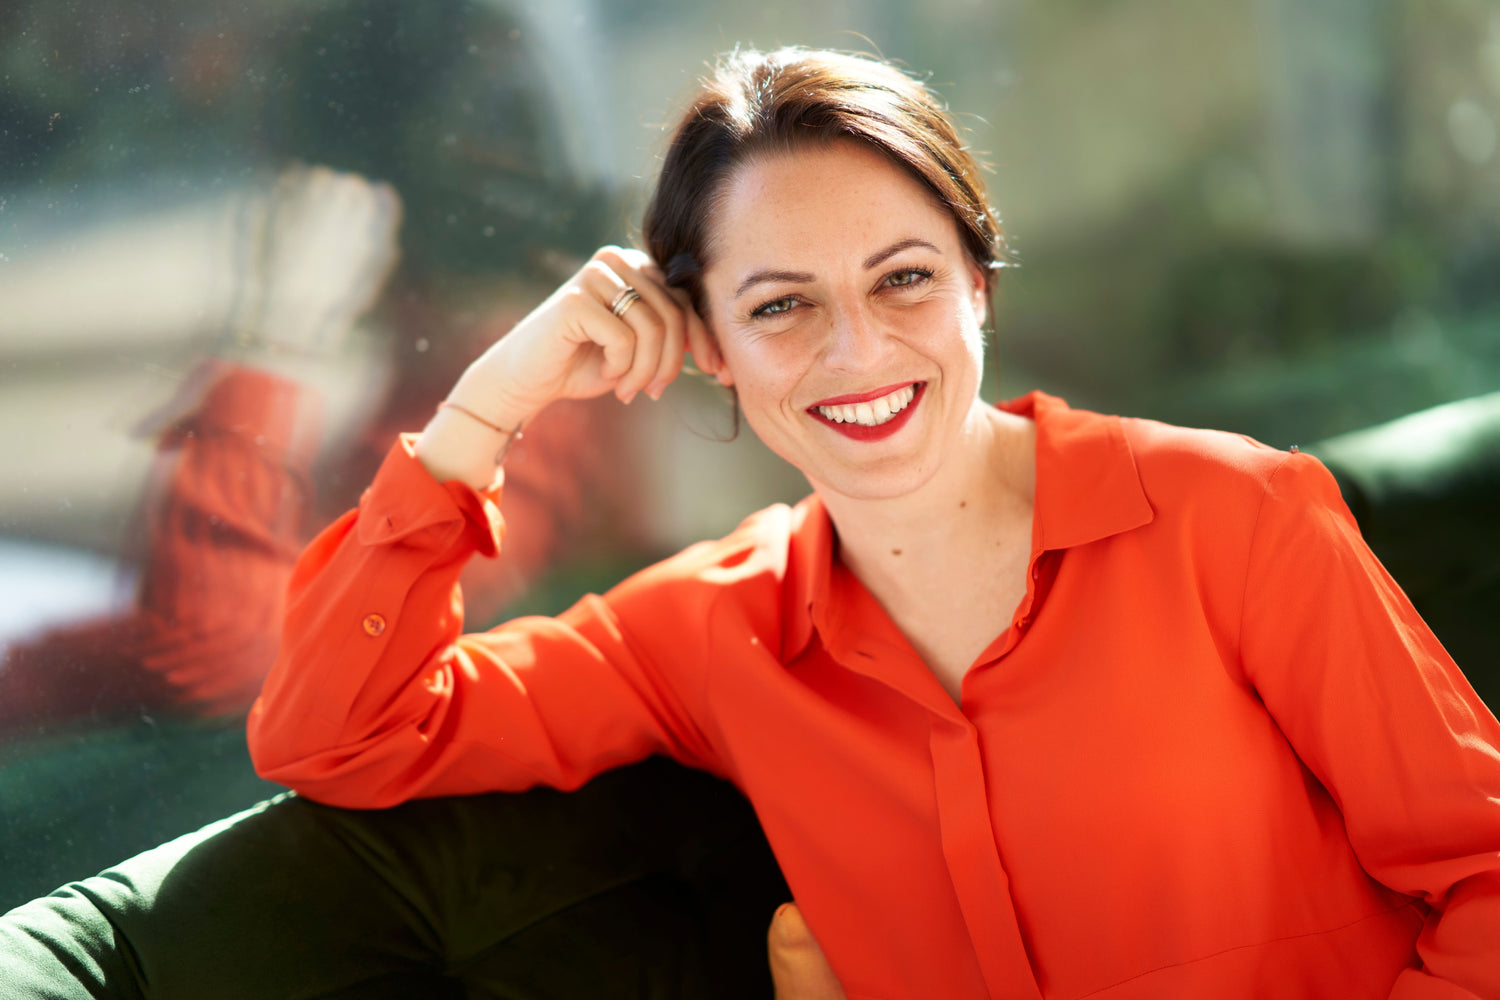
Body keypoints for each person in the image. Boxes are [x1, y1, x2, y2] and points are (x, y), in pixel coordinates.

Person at [247, 47, 1500, 999]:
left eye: (904, 278)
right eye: (779, 305)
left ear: (977, 285)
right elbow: (339, 731)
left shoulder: (1235, 514)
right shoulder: (711, 628)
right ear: (709, 346)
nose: (858, 352)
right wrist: (489, 403)